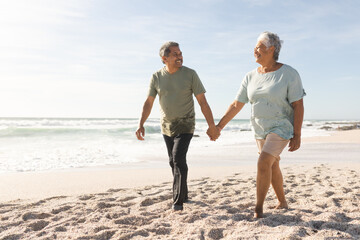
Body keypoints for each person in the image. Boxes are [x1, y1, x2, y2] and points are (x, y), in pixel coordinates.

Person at [211, 32, 306, 218]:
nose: (255, 50)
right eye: (255, 46)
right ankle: (282, 201)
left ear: (271, 49)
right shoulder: (250, 76)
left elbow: (298, 104)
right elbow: (237, 104)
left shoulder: (289, 74)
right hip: (259, 128)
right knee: (272, 165)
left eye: (259, 46)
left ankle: (259, 208)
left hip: (281, 126)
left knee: (263, 162)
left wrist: (297, 133)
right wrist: (219, 127)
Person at [136, 41, 220, 211]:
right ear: (164, 58)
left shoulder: (190, 74)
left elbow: (203, 102)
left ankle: (178, 202)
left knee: (178, 158)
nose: (180, 56)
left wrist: (212, 126)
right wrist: (141, 124)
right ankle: (184, 194)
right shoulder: (156, 77)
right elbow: (149, 102)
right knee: (172, 162)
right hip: (166, 125)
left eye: (180, 53)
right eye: (175, 54)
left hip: (186, 122)